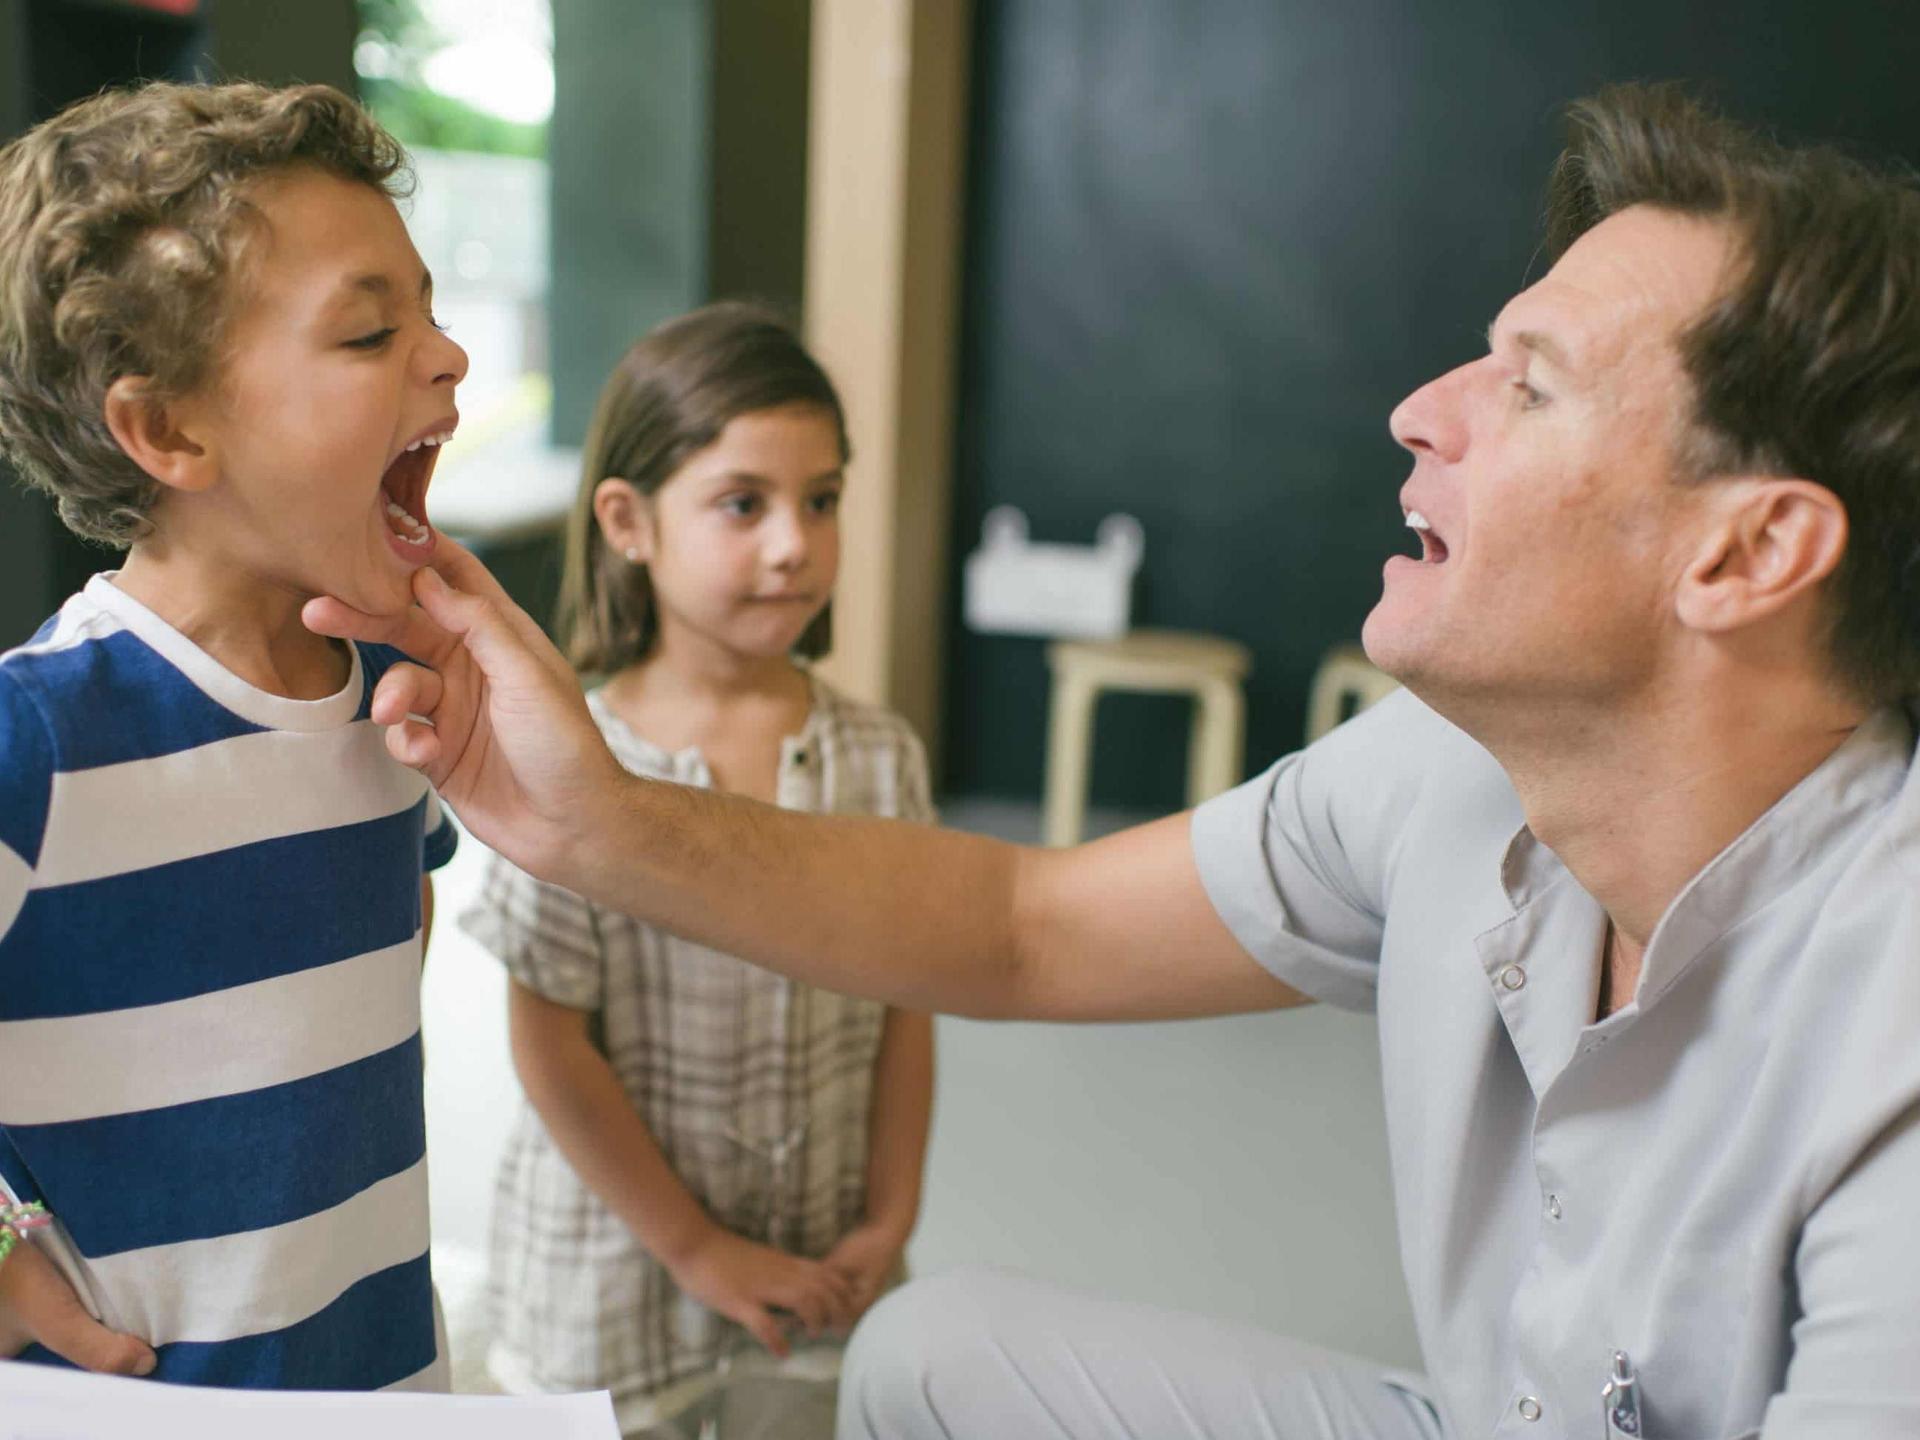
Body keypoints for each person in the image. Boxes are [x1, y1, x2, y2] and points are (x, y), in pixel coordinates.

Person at [305, 83, 1920, 1436]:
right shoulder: (1442, 772)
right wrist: (593, 821)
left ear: (1749, 551)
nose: (1423, 410)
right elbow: (1029, 926)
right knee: (930, 1356)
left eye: (1531, 380)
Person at [0, 81, 467, 1390]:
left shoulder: (391, 692)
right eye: (374, 333)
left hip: (382, 1384)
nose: (450, 355)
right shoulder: (35, 737)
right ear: (167, 429)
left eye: (429, 308)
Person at [462, 304, 935, 1437]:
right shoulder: (570, 761)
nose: (794, 544)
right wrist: (696, 1249)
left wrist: (890, 1217)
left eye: (821, 500)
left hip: (821, 1272)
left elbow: (907, 1010)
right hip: (615, 1289)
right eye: (743, 503)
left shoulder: (879, 758)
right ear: (627, 522)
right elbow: (549, 1043)